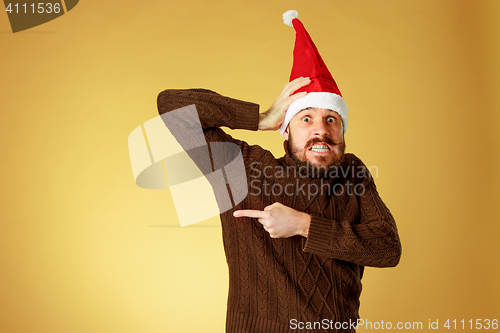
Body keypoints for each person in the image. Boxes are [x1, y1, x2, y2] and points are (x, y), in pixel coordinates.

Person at [157, 10, 401, 333]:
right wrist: (260, 118)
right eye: (305, 119)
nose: (321, 131)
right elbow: (170, 106)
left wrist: (303, 225)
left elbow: (388, 247)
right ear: (285, 130)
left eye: (332, 119)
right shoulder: (244, 169)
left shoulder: (352, 174)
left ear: (342, 132)